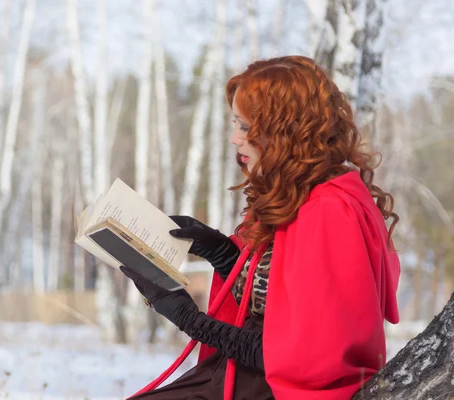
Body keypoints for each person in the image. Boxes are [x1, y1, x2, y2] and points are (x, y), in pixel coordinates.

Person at [120, 55, 401, 400]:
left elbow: (301, 357)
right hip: (241, 376)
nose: (235, 139)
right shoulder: (299, 194)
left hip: (278, 390)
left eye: (245, 126)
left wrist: (188, 319)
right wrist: (220, 251)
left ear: (284, 131)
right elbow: (271, 304)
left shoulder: (330, 213)